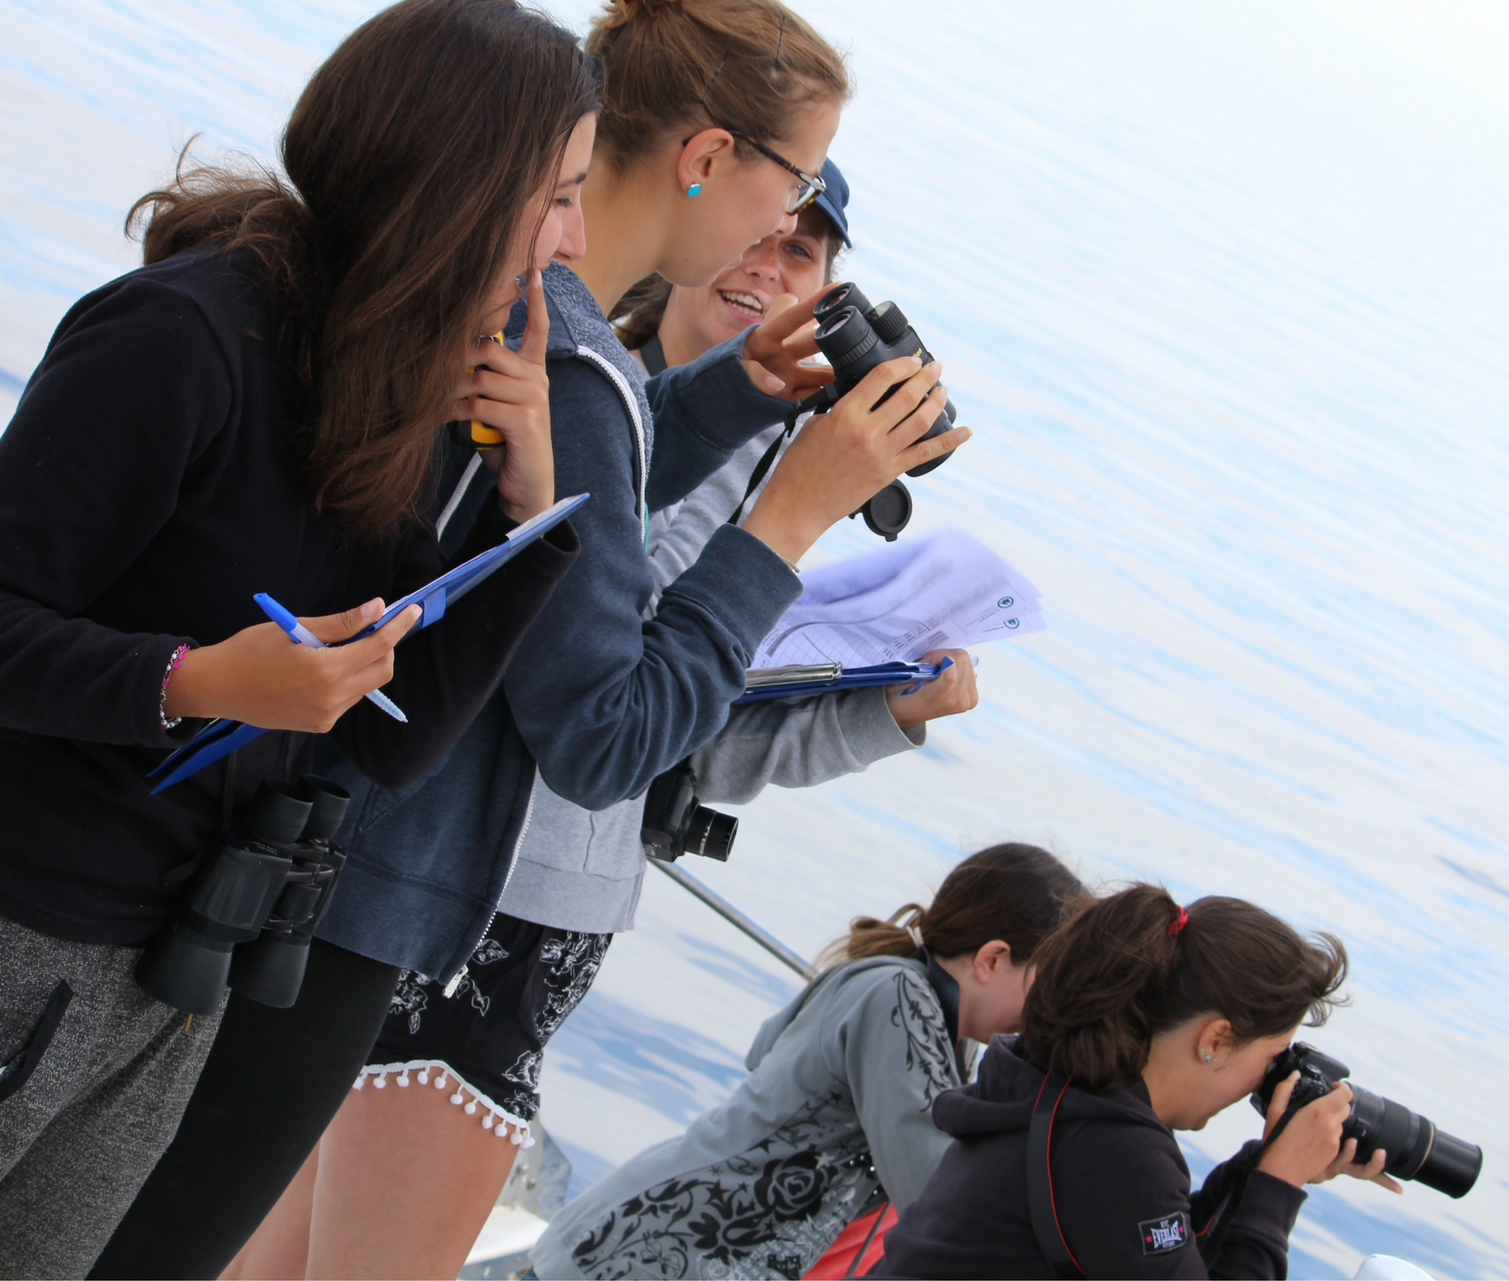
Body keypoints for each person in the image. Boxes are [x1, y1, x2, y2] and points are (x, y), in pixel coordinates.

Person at [97, 1, 970, 1276]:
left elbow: (582, 505)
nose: (787, 232)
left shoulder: (551, 337)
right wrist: (782, 520)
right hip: (362, 894)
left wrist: (733, 393)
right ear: (708, 156)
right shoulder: (554, 353)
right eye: (790, 187)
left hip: (309, 868)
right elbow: (607, 736)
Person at [0, 0, 596, 1273]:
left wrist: (530, 514)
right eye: (556, 198)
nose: (573, 245)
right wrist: (194, 681)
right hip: (27, 923)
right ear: (455, 187)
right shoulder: (181, 337)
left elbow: (390, 744)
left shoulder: (400, 388)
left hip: (166, 984)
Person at [530, 844, 1089, 1281]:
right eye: (1048, 987)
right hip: (648, 1251)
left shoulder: (925, 1015)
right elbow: (931, 1186)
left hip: (669, 1246)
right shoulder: (899, 998)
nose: (1048, 1014)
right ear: (993, 959)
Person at [871, 885, 1402, 1280]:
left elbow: (1160, 1255)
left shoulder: (1062, 1089)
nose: (1267, 1080)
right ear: (1215, 1039)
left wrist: (1259, 1170)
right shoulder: (1113, 1150)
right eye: (1272, 1057)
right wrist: (1278, 1188)